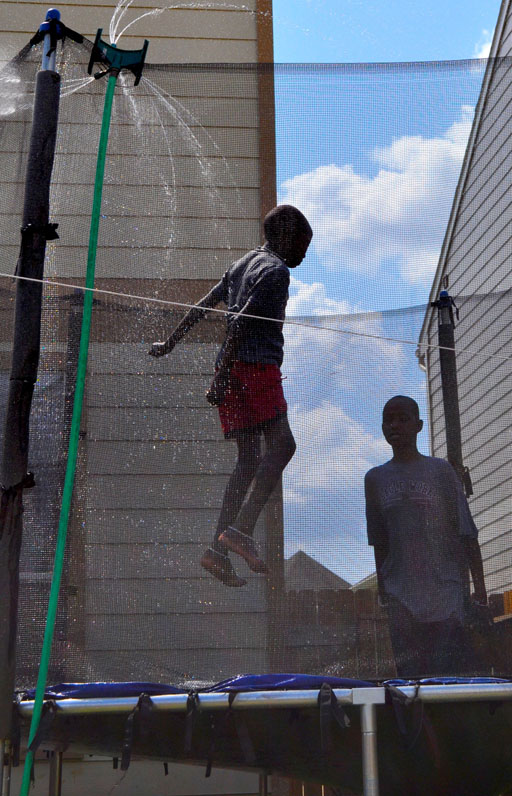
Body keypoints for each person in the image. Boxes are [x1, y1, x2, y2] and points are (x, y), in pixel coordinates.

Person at [149, 205, 312, 587]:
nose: (304, 256)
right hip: (253, 368)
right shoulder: (275, 271)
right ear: (285, 238)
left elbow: (202, 306)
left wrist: (170, 343)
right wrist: (221, 378)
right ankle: (240, 531)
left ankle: (217, 551)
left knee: (249, 460)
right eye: (303, 246)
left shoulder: (241, 265)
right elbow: (239, 324)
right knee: (284, 446)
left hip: (231, 370)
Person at [364, 395, 488, 677]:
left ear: (418, 425)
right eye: (388, 420)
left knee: (447, 678)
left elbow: (467, 532)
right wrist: (385, 594)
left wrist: (478, 591)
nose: (394, 426)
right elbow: (379, 542)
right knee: (412, 682)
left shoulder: (440, 472)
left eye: (402, 419)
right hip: (402, 599)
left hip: (445, 596)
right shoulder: (375, 479)